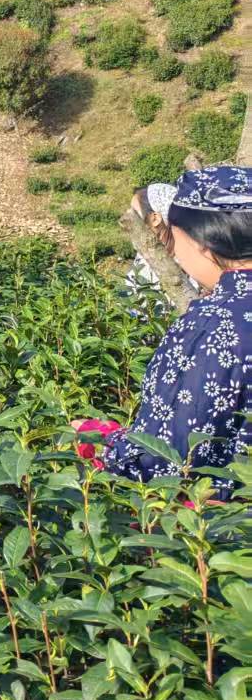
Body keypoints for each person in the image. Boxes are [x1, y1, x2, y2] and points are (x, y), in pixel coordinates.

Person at [81, 168, 252, 494]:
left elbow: (163, 460)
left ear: (203, 240)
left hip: (221, 521)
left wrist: (97, 437)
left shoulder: (212, 327)